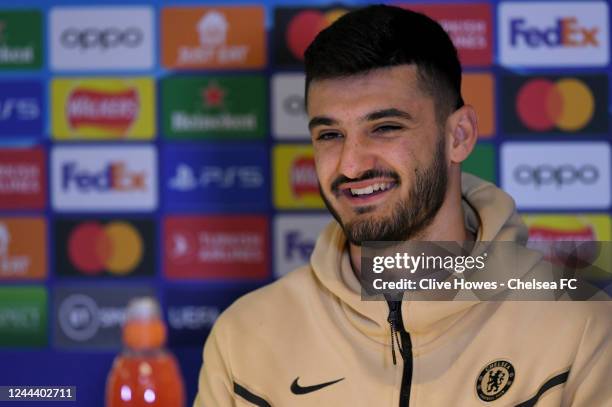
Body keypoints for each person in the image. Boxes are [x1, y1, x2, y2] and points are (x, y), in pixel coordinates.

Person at [194, 5, 611, 406]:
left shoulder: (581, 323)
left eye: (386, 127)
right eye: (329, 135)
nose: (352, 165)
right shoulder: (244, 338)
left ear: (460, 135)